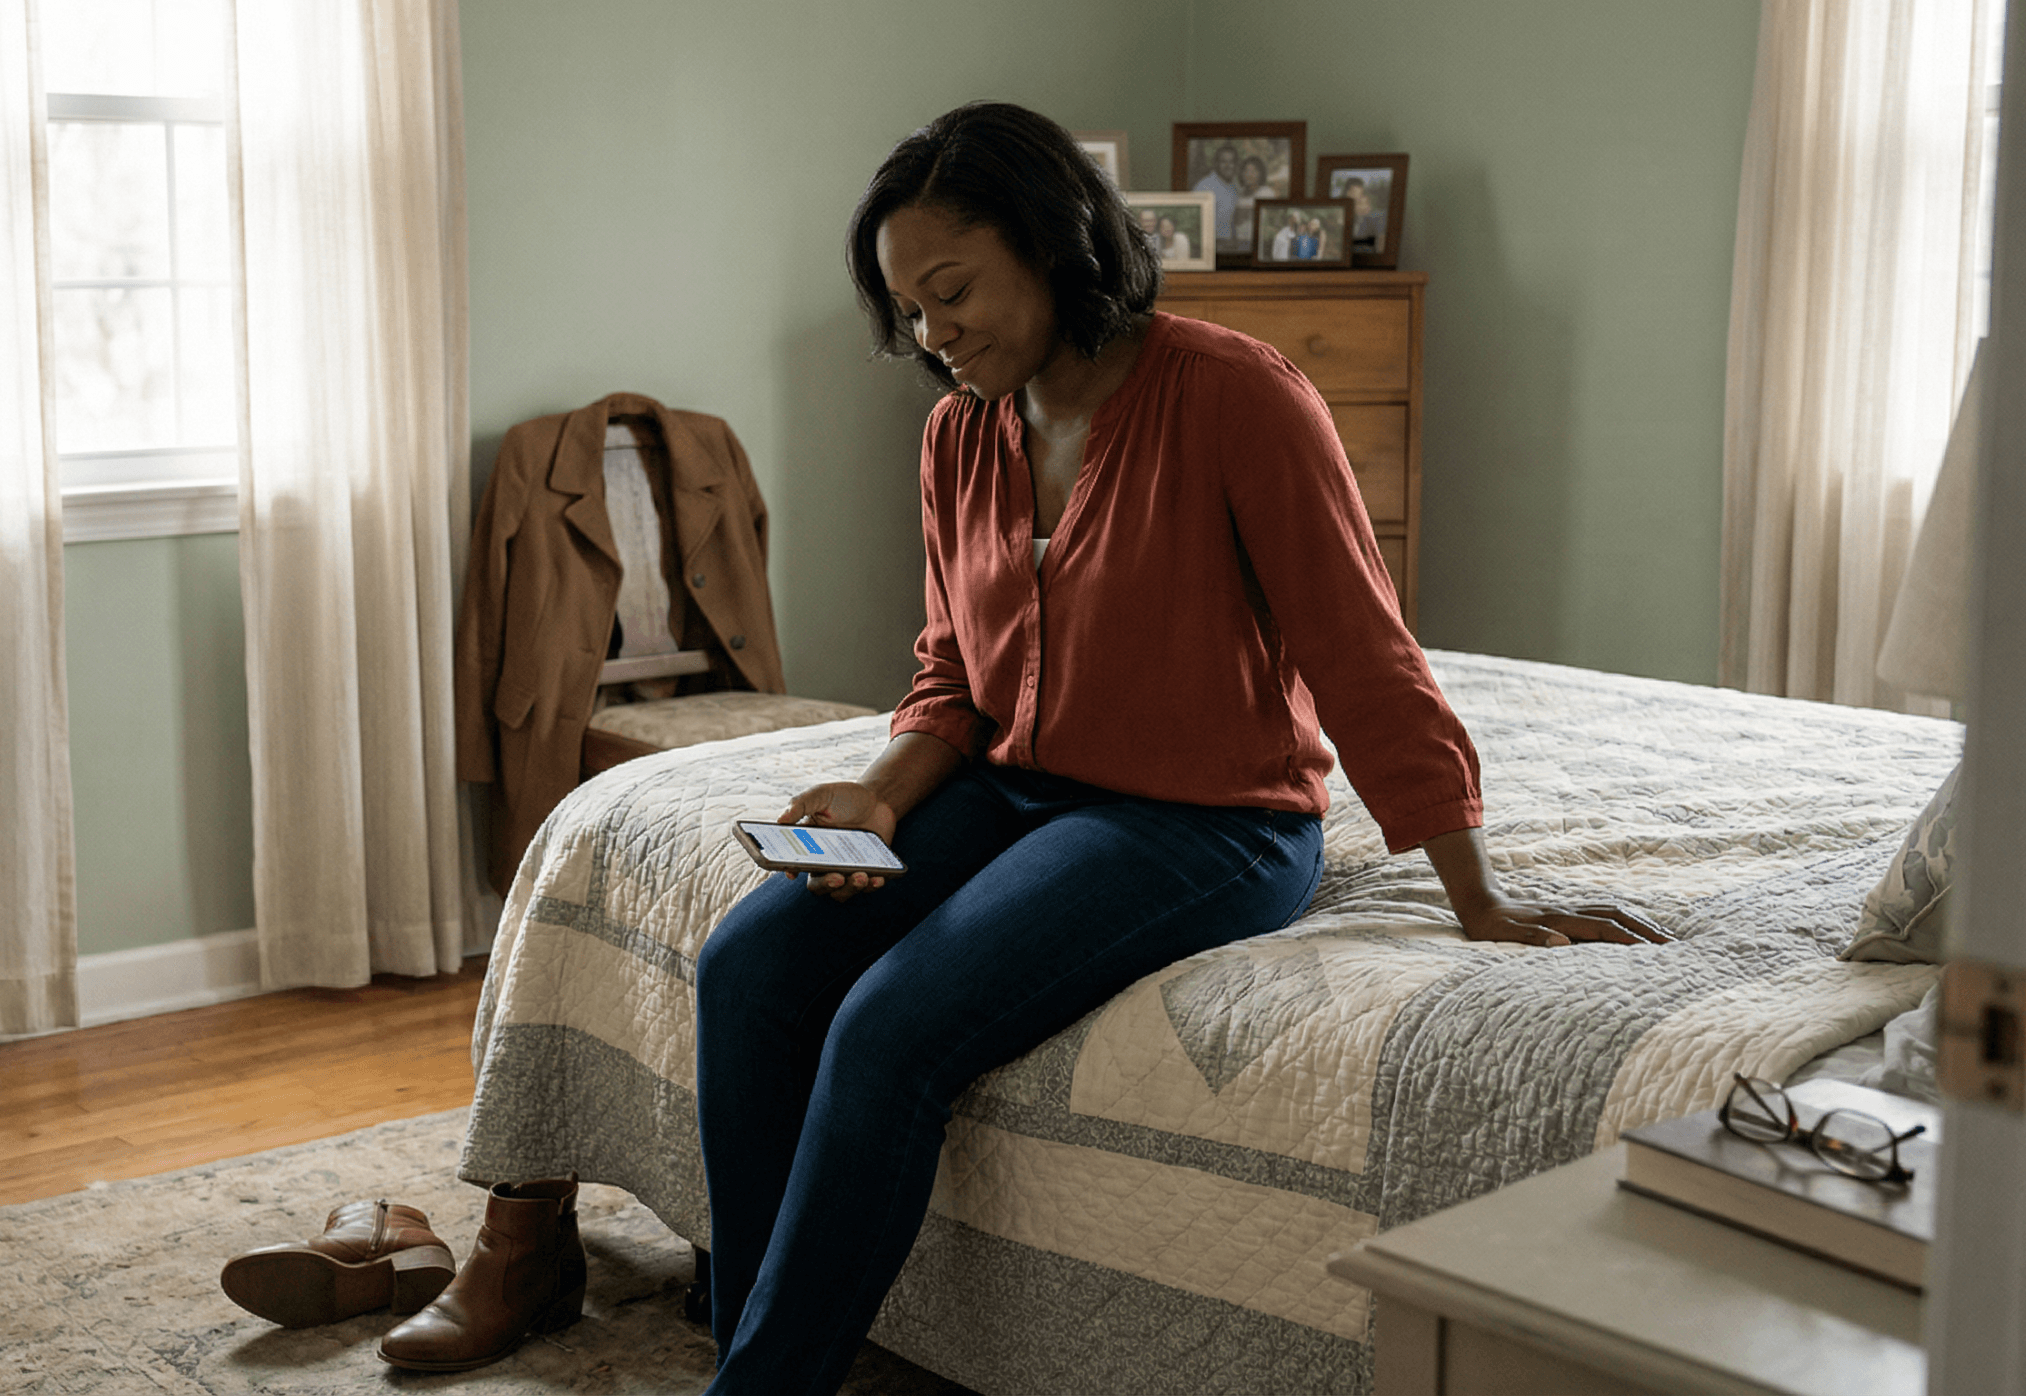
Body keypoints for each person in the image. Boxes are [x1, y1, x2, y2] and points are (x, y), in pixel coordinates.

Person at [690, 100, 1670, 1396]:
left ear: (1051, 244)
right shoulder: (959, 435)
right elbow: (951, 676)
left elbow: (1360, 650)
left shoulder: (1234, 396)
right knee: (748, 968)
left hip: (1206, 822)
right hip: (1009, 786)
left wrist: (1474, 893)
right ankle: (760, 1333)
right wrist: (877, 799)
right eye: (909, 311)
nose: (934, 335)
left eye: (953, 292)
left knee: (888, 1028)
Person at [1192, 141, 1240, 244]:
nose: (1228, 165)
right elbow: (1194, 222)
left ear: (1236, 164)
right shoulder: (1204, 187)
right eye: (1223, 161)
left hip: (1229, 246)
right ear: (1216, 163)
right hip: (1210, 246)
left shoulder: (1234, 186)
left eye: (1231, 162)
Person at [1344, 174, 1387, 249]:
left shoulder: (1378, 217)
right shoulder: (1346, 218)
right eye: (1358, 203)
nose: (1364, 207)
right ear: (1348, 193)